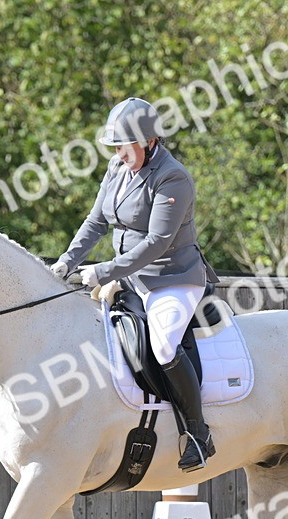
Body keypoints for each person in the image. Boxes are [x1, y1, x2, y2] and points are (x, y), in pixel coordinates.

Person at [52, 97, 221, 472]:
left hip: (171, 278)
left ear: (148, 141)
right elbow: (95, 221)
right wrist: (67, 261)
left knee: (162, 345)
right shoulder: (117, 168)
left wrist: (105, 271)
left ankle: (197, 433)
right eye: (114, 146)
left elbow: (158, 242)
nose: (117, 152)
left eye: (124, 145)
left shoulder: (172, 176)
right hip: (128, 276)